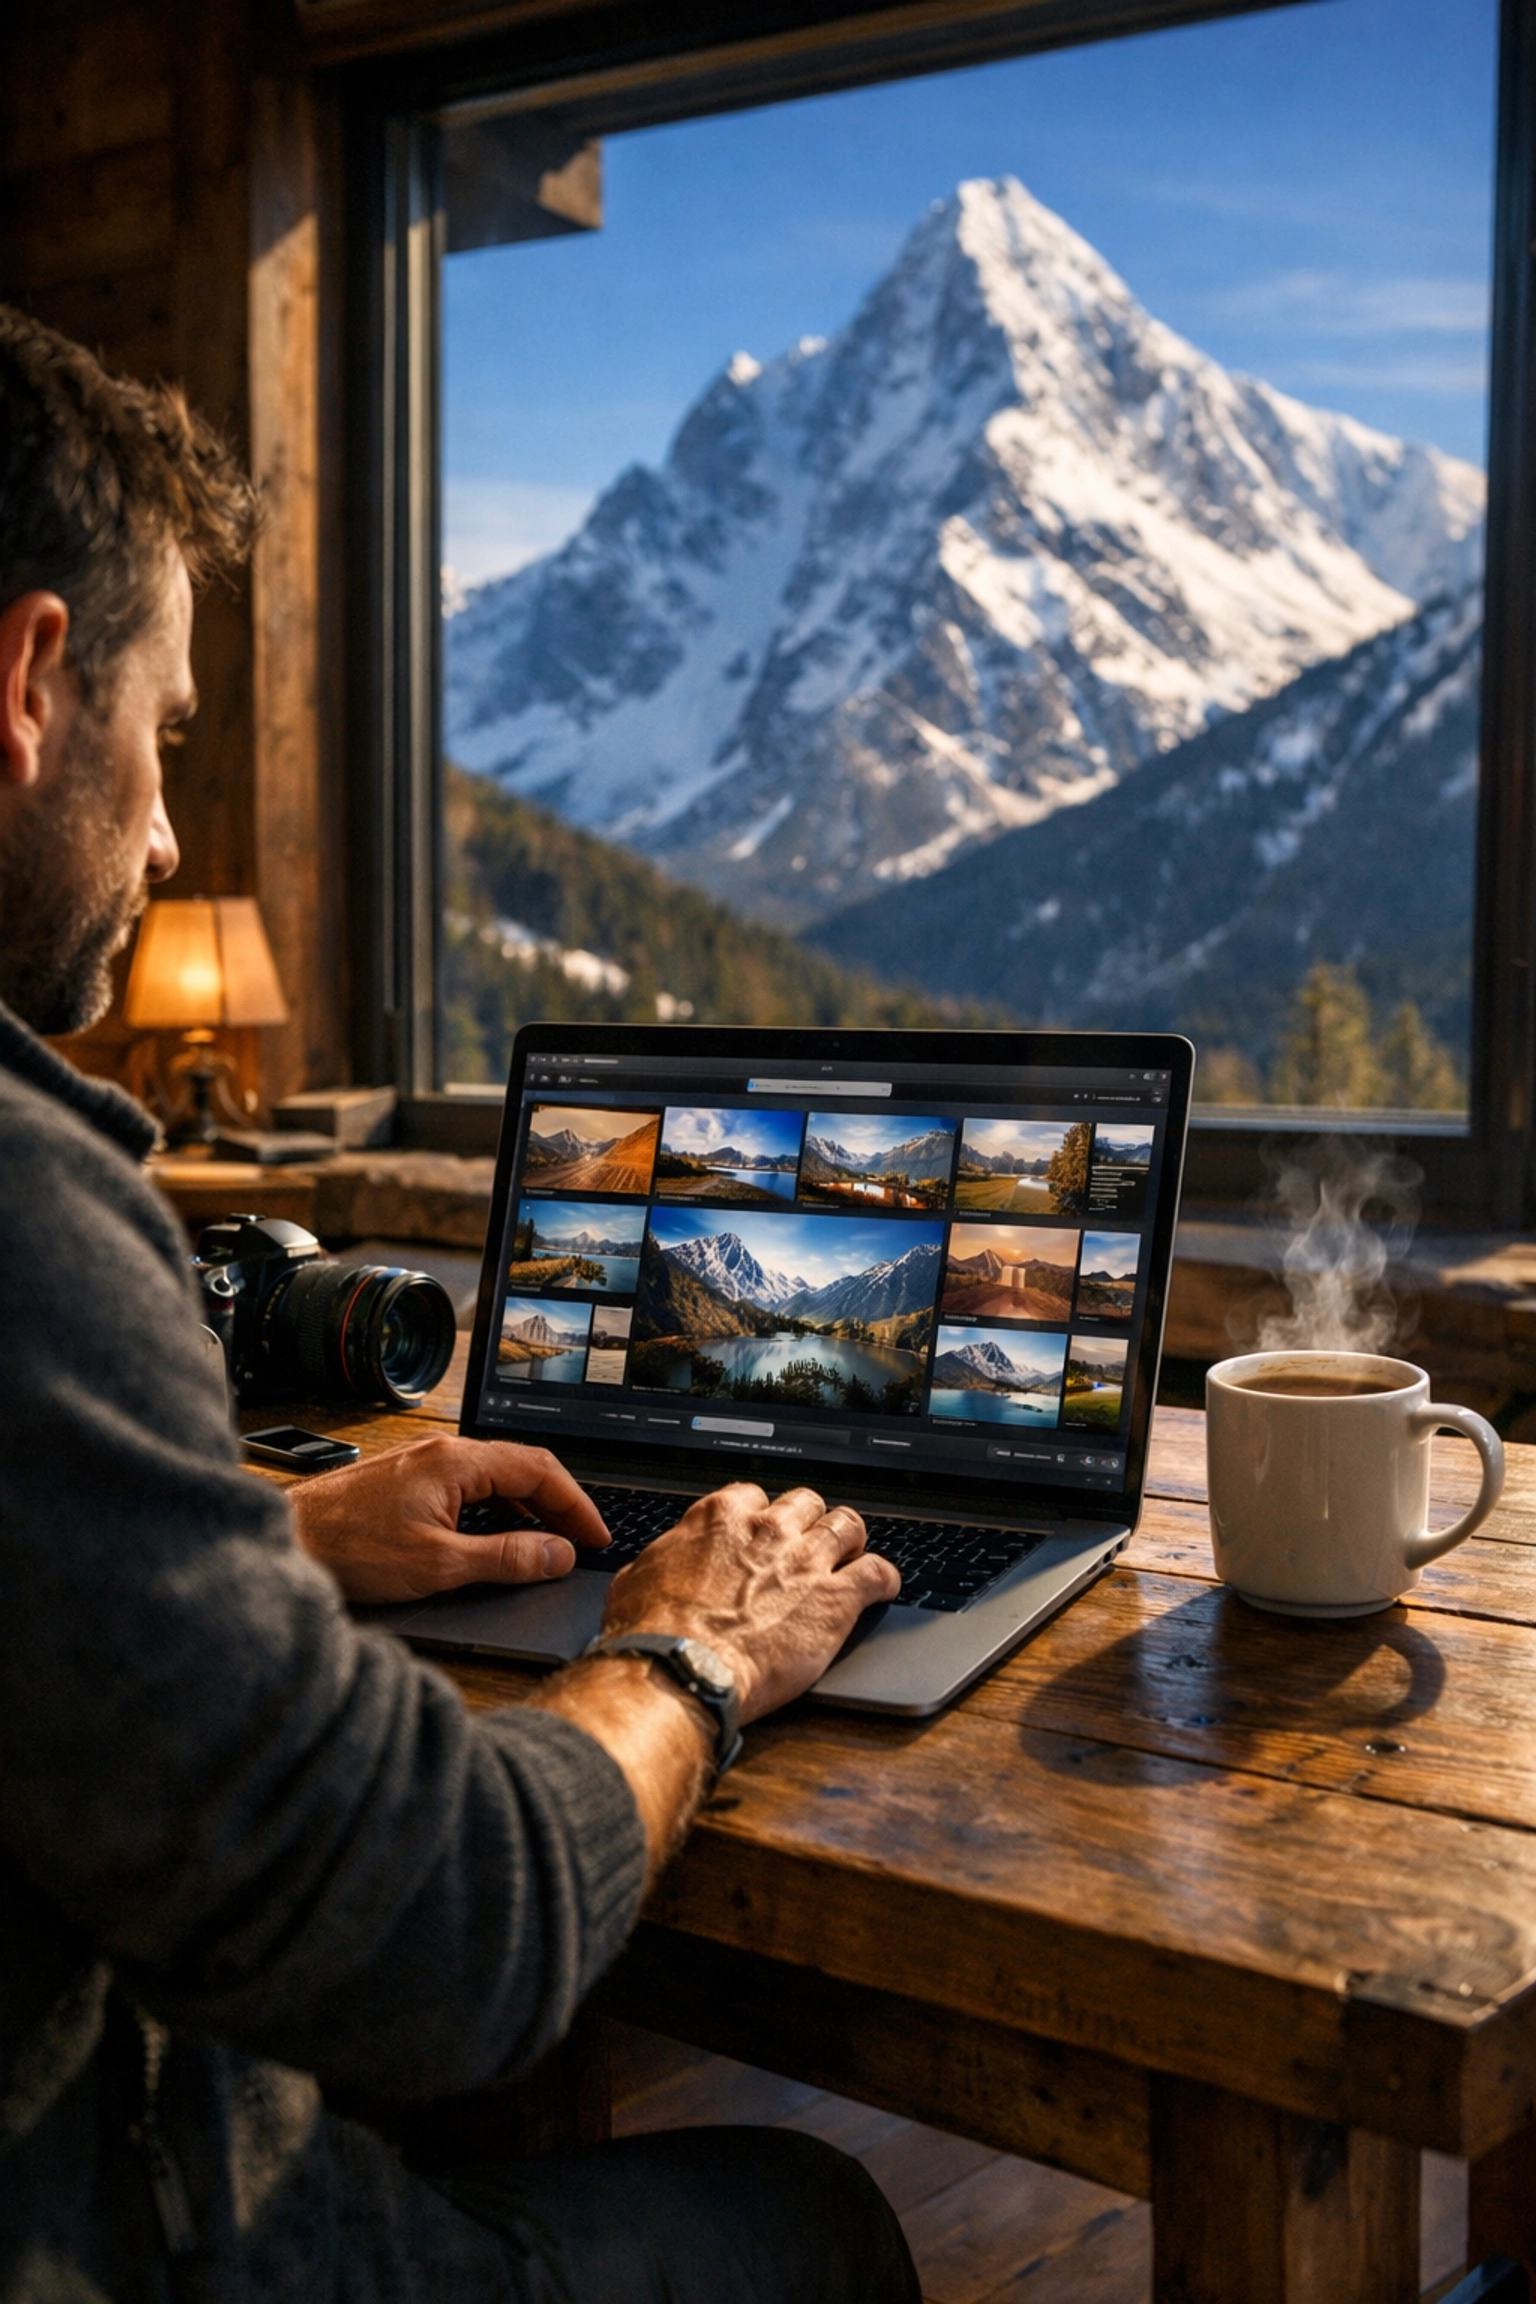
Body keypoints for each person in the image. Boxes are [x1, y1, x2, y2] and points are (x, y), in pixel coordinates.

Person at [0, 304, 920, 2304]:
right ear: (28, 679)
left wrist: (267, 1543)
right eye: (161, 738)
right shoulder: (24, 1220)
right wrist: (690, 1654)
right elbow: (451, 1938)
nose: (164, 833)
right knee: (821, 2228)